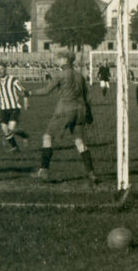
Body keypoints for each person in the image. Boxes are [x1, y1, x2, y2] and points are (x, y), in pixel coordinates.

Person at [30, 49, 97, 188]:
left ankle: (44, 170)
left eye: (59, 58)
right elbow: (88, 98)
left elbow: (46, 91)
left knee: (47, 137)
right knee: (80, 142)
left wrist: (29, 92)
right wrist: (89, 115)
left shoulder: (60, 75)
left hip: (65, 111)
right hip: (80, 111)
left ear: (65, 60)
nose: (57, 60)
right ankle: (91, 173)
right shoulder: (80, 76)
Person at [0, 64, 30, 153]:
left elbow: (24, 91)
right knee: (4, 129)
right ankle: (15, 147)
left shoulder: (13, 80)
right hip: (3, 109)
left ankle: (24, 135)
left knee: (11, 129)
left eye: (1, 69)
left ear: (5, 70)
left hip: (14, 108)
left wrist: (26, 103)